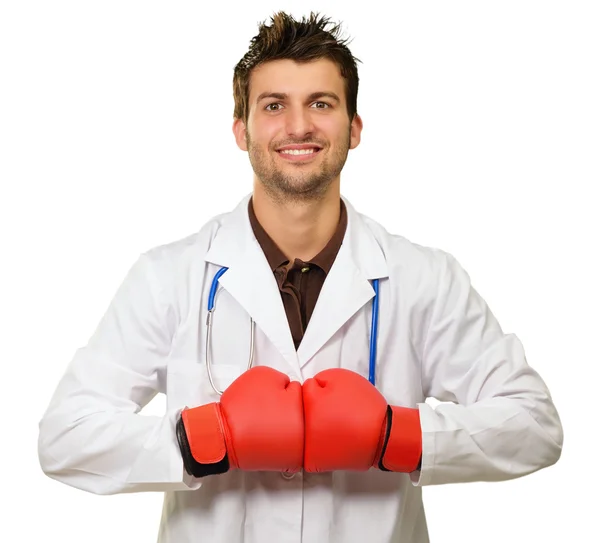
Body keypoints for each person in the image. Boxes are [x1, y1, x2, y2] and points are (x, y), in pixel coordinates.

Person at [37, 11, 563, 543]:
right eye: (273, 105)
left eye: (321, 103)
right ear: (242, 131)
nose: (298, 126)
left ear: (354, 128)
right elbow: (65, 437)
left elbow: (535, 425)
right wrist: (205, 439)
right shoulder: (167, 277)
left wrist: (397, 437)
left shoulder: (424, 278)